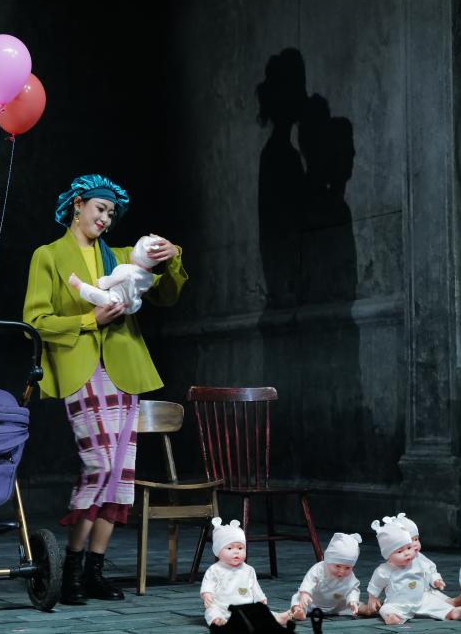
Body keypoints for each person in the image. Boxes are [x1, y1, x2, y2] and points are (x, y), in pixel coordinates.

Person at [23, 173, 187, 603]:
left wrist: (172, 257)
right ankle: (70, 569)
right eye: (100, 209)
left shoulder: (120, 257)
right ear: (78, 204)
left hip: (124, 371)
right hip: (81, 371)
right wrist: (87, 320)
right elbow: (35, 322)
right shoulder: (48, 256)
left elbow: (165, 295)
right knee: (99, 465)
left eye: (112, 213)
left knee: (120, 476)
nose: (106, 219)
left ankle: (94, 570)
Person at [365, 518, 461, 624]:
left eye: (409, 548)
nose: (407, 553)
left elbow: (429, 569)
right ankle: (392, 617)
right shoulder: (384, 570)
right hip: (398, 603)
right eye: (400, 551)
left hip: (421, 599)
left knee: (434, 602)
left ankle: (451, 612)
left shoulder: (417, 560)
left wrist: (435, 579)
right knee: (385, 608)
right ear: (388, 555)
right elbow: (375, 585)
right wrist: (373, 598)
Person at [200, 518, 290, 627]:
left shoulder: (248, 570)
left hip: (245, 607)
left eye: (240, 548)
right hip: (221, 607)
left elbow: (255, 587)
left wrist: (260, 598)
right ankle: (217, 620)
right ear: (218, 551)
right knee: (211, 611)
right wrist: (207, 594)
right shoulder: (214, 570)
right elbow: (208, 584)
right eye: (229, 548)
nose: (236, 552)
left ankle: (277, 618)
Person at [67, 234, 165, 314]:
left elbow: (111, 280)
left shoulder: (127, 270)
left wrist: (101, 283)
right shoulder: (149, 277)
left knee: (100, 296)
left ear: (137, 255)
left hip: (116, 299)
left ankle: (80, 286)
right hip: (132, 305)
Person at [288, 532, 372, 620]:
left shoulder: (350, 576)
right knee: (298, 598)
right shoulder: (319, 569)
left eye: (347, 568)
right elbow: (309, 581)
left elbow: (353, 589)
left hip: (336, 605)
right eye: (337, 566)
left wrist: (353, 600)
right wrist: (305, 593)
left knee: (352, 604)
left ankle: (365, 609)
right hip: (312, 603)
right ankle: (299, 611)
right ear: (328, 560)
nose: (342, 571)